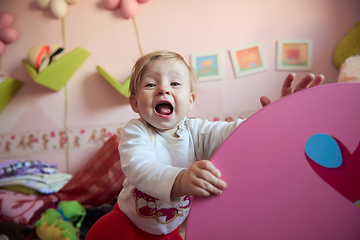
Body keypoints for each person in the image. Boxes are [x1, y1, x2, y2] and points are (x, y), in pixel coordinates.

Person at [86, 50, 324, 240]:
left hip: (169, 230)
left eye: (175, 84)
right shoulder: (136, 131)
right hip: (126, 223)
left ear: (190, 101)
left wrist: (273, 118)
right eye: (150, 85)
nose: (163, 89)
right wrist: (180, 180)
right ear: (135, 103)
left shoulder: (196, 130)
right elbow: (139, 167)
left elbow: (233, 134)